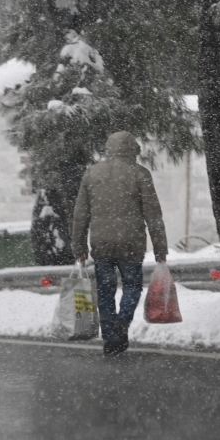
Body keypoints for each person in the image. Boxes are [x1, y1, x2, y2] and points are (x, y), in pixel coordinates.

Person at [71, 131, 168, 356]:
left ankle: (110, 338)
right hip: (131, 242)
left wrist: (79, 246)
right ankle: (122, 321)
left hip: (101, 243)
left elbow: (80, 214)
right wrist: (160, 247)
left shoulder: (92, 173)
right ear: (133, 150)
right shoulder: (140, 173)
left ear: (108, 148)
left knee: (105, 290)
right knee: (132, 286)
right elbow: (153, 215)